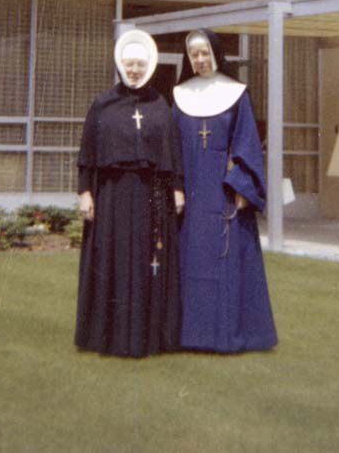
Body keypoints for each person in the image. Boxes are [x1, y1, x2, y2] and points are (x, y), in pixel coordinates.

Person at [74, 29, 185, 357]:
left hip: (153, 194)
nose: (134, 69)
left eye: (140, 63)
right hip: (111, 193)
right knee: (113, 258)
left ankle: (147, 337)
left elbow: (172, 151)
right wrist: (85, 192)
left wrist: (177, 188)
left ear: (149, 65)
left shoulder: (159, 105)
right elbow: (88, 153)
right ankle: (108, 336)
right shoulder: (103, 104)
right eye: (129, 63)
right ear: (120, 64)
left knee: (149, 260)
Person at [174, 28, 277, 353]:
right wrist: (174, 188)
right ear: (188, 59)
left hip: (224, 195)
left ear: (217, 54)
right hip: (189, 194)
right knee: (190, 262)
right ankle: (188, 336)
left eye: (205, 53)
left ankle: (227, 335)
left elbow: (247, 144)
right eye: (194, 55)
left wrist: (243, 187)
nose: (200, 60)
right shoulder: (179, 95)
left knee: (225, 263)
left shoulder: (236, 94)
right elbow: (171, 147)